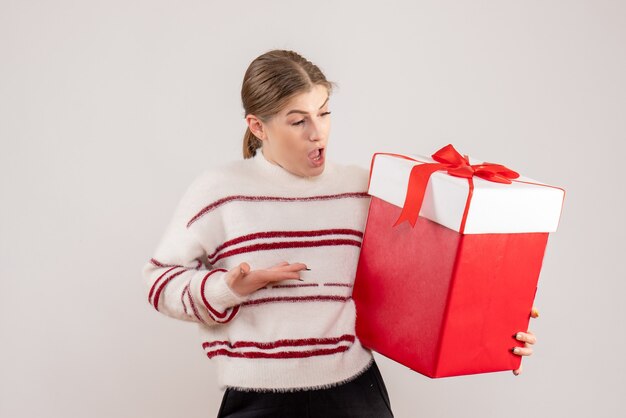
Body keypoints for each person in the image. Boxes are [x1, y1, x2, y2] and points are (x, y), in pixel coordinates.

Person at [142, 49, 538, 418]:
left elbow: (415, 285)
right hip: (257, 400)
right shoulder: (221, 190)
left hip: (354, 394)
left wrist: (494, 319)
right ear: (257, 126)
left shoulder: (364, 189)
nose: (318, 133)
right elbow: (159, 281)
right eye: (298, 121)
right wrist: (228, 288)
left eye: (324, 113)